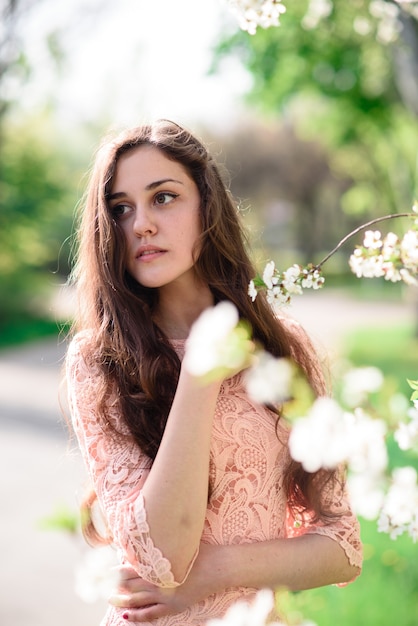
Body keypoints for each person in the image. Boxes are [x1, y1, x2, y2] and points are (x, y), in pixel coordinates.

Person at [65, 119, 363, 626]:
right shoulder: (100, 361)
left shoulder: (285, 347)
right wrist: (200, 370)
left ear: (207, 204)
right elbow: (163, 559)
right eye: (120, 208)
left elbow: (343, 546)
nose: (141, 224)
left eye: (163, 197)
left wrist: (217, 571)